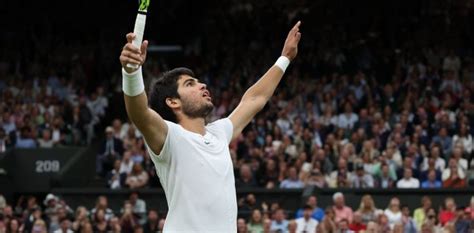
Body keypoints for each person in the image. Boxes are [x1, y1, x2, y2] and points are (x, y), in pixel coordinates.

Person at [119, 21, 302, 232]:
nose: (202, 85)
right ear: (173, 102)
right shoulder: (169, 137)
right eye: (190, 84)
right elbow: (139, 112)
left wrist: (285, 58)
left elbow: (254, 99)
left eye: (198, 81)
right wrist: (131, 73)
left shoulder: (219, 133)